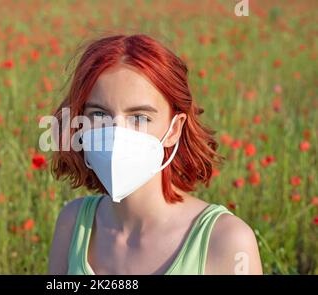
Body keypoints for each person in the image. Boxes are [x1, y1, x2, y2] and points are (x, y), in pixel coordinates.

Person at [48, 34, 263, 275]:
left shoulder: (227, 241)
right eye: (99, 115)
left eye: (139, 118)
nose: (117, 134)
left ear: (175, 129)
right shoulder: (73, 223)